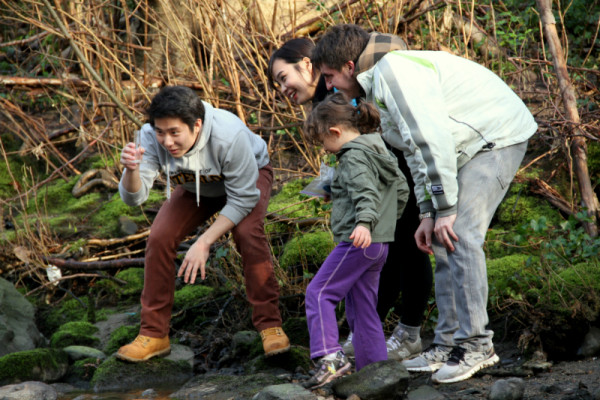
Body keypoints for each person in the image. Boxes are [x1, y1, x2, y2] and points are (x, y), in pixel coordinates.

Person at [311, 24, 537, 384]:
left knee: (460, 232)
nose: (328, 86)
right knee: (440, 236)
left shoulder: (393, 73)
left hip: (496, 136)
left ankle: (477, 343)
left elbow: (430, 141)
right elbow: (414, 153)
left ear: (350, 66)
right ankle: (447, 343)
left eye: (329, 76)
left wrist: (445, 209)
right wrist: (429, 213)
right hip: (465, 145)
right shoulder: (376, 87)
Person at [268, 37, 433, 362]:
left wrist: (375, 209)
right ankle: (367, 349)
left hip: (398, 169)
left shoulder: (342, 89)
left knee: (407, 249)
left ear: (306, 64)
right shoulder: (325, 99)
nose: (282, 89)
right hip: (380, 187)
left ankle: (408, 332)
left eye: (283, 77)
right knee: (380, 260)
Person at [116, 85, 290, 362]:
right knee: (160, 237)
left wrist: (204, 241)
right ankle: (154, 334)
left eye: (174, 132)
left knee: (247, 233)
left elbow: (243, 199)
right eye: (160, 132)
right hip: (198, 187)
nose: (167, 141)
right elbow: (134, 198)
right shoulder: (149, 137)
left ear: (196, 125)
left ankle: (270, 325)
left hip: (248, 178)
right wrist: (131, 170)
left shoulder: (228, 136)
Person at [301, 92, 410, 388]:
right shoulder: (379, 150)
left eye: (324, 143)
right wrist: (383, 224)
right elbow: (400, 190)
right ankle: (374, 375)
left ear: (334, 132)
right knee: (363, 309)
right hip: (378, 245)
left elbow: (366, 194)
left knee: (319, 293)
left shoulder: (352, 156)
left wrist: (365, 223)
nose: (325, 150)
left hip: (358, 241)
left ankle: (329, 357)